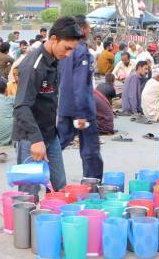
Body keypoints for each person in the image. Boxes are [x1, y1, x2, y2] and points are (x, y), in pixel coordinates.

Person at [13, 17, 82, 198]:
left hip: (50, 135)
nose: (68, 54)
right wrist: (36, 140)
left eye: (71, 51)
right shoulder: (33, 66)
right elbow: (21, 106)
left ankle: (57, 222)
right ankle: (27, 224)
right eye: (66, 48)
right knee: (30, 193)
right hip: (31, 137)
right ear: (53, 39)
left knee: (60, 186)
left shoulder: (55, 59)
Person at [57, 16, 103, 180]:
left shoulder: (63, 50)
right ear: (82, 29)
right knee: (90, 149)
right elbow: (80, 84)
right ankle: (93, 183)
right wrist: (82, 113)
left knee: (58, 144)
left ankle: (36, 174)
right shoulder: (81, 51)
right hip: (81, 108)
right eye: (88, 28)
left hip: (65, 105)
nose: (90, 30)